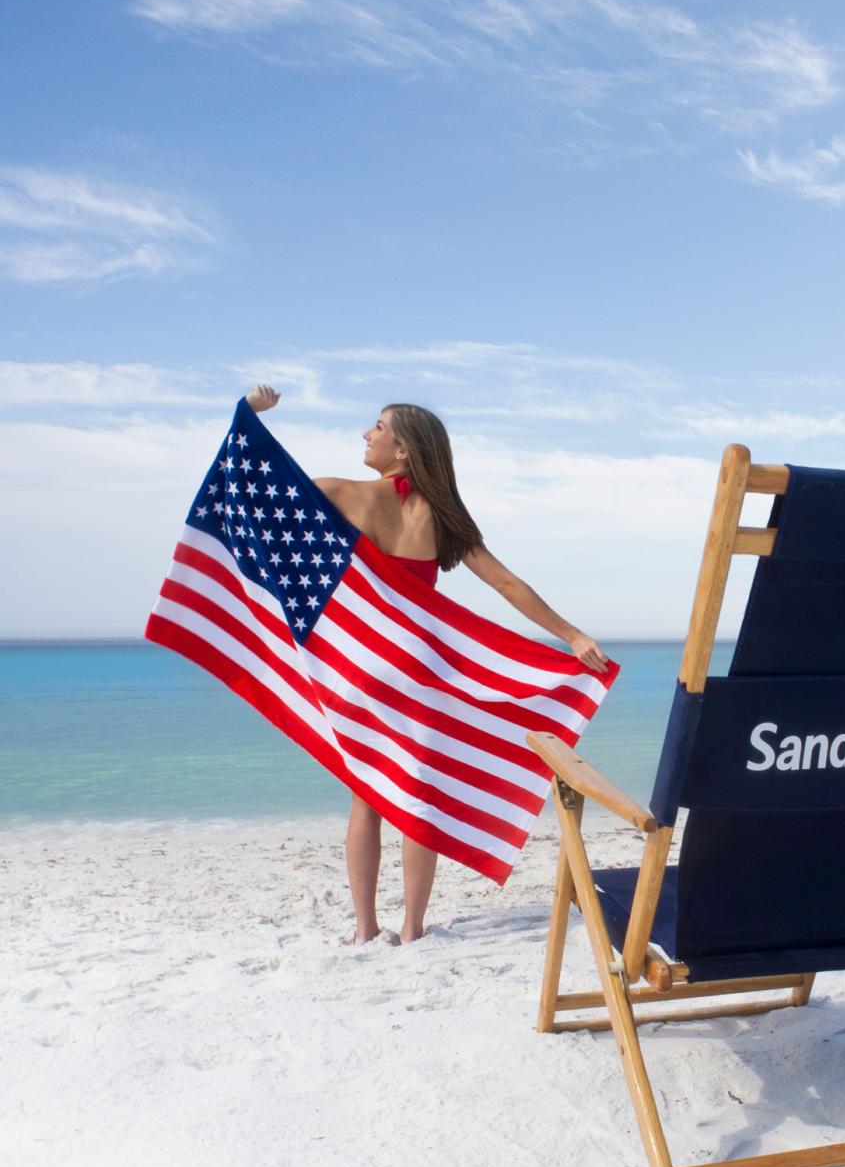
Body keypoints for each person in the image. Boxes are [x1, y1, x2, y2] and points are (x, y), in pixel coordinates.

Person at [245, 383, 609, 945]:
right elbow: (507, 583)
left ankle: (366, 928)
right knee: (419, 792)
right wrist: (571, 634)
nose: (367, 433)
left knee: (366, 792)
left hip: (363, 667)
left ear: (403, 450)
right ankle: (413, 928)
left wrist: (249, 415)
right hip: (418, 669)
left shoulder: (340, 493)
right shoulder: (443, 518)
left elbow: (259, 500)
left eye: (379, 428)